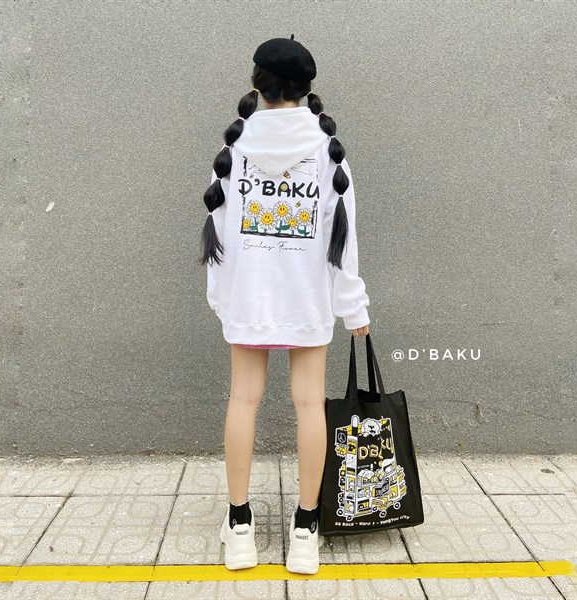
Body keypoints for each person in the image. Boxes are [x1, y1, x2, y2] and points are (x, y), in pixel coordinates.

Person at [199, 34, 371, 575]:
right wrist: (354, 308)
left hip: (250, 295)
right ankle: (305, 530)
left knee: (243, 400)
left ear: (258, 84)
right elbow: (343, 237)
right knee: (310, 405)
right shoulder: (326, 148)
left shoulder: (235, 146)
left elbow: (218, 229)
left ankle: (240, 527)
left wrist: (223, 298)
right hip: (306, 296)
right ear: (305, 88)